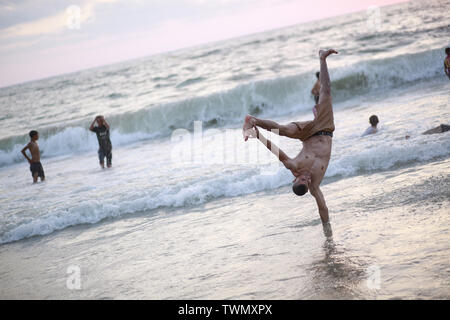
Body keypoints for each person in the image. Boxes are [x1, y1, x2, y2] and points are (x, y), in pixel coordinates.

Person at [243, 49, 338, 230]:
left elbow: (276, 151)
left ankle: (253, 120)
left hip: (307, 133)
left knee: (283, 130)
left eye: (302, 180)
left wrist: (259, 135)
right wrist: (328, 233)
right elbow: (322, 207)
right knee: (325, 91)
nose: (307, 179)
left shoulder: (293, 166)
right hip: (325, 129)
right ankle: (322, 58)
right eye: (307, 182)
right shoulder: (315, 185)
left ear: (294, 180)